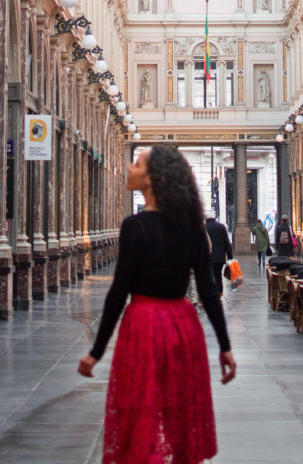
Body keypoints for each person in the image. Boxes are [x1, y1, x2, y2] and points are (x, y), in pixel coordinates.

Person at [78, 147, 236, 464]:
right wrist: (225, 347)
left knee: (139, 411)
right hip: (183, 327)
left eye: (137, 164)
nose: (129, 167)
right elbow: (207, 289)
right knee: (179, 411)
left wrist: (95, 352)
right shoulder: (192, 226)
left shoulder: (134, 227)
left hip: (143, 326)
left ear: (152, 179)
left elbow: (118, 293)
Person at [205, 212, 233, 295]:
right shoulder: (221, 227)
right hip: (220, 257)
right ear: (214, 217)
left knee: (210, 274)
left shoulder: (204, 227)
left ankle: (211, 292)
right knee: (218, 275)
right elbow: (227, 243)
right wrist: (230, 256)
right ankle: (220, 292)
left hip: (208, 256)